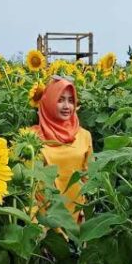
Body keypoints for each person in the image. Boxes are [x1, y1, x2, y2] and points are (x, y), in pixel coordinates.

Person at [31, 75, 93, 223]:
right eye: (60, 99)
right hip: (44, 218)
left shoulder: (84, 136)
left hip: (76, 214)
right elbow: (28, 184)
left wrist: (87, 210)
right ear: (49, 101)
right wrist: (34, 222)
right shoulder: (32, 137)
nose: (67, 106)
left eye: (71, 100)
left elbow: (89, 176)